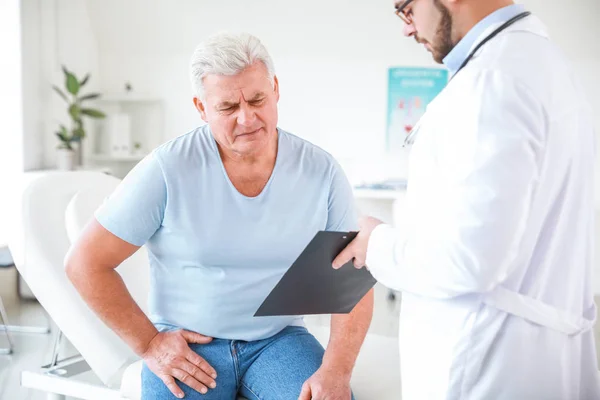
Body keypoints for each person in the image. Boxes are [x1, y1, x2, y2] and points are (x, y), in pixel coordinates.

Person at [66, 32, 373, 400]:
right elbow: (84, 263)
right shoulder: (167, 168)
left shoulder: (320, 171)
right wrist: (149, 343)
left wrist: (336, 373)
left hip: (279, 341)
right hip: (192, 344)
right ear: (201, 107)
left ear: (275, 89)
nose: (247, 118)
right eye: (228, 107)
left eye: (257, 99)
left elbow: (352, 281)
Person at [333, 0, 600, 398]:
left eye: (406, 9)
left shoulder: (494, 79)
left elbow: (468, 260)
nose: (407, 29)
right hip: (530, 354)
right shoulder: (540, 61)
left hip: (487, 365)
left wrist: (378, 243)